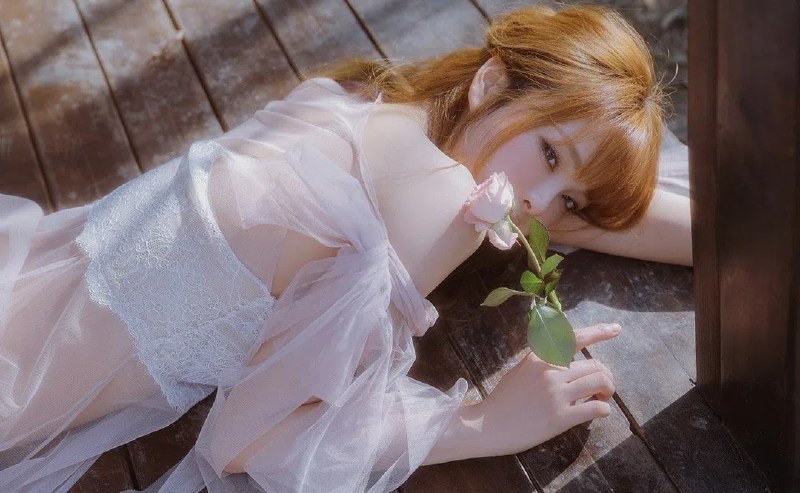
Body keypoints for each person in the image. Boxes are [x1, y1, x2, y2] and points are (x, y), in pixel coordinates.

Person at [0, 4, 690, 492]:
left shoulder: (364, 98)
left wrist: (580, 179)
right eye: (550, 153)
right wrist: (481, 421)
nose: (540, 204)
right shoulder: (442, 203)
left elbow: (569, 205)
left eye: (570, 200)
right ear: (490, 82)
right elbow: (247, 440)